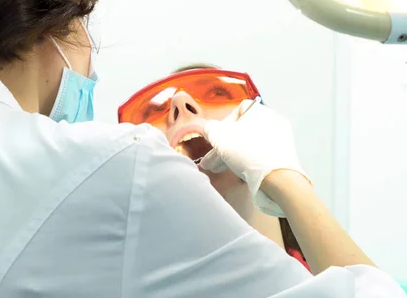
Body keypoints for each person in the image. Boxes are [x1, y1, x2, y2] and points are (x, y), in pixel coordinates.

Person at [0, 0, 407, 297]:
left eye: (215, 95)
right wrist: (285, 176)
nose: (183, 105)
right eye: (158, 109)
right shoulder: (112, 175)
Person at [120, 63, 310, 270]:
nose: (180, 101)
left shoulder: (333, 280)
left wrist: (283, 178)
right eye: (156, 112)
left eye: (218, 94)